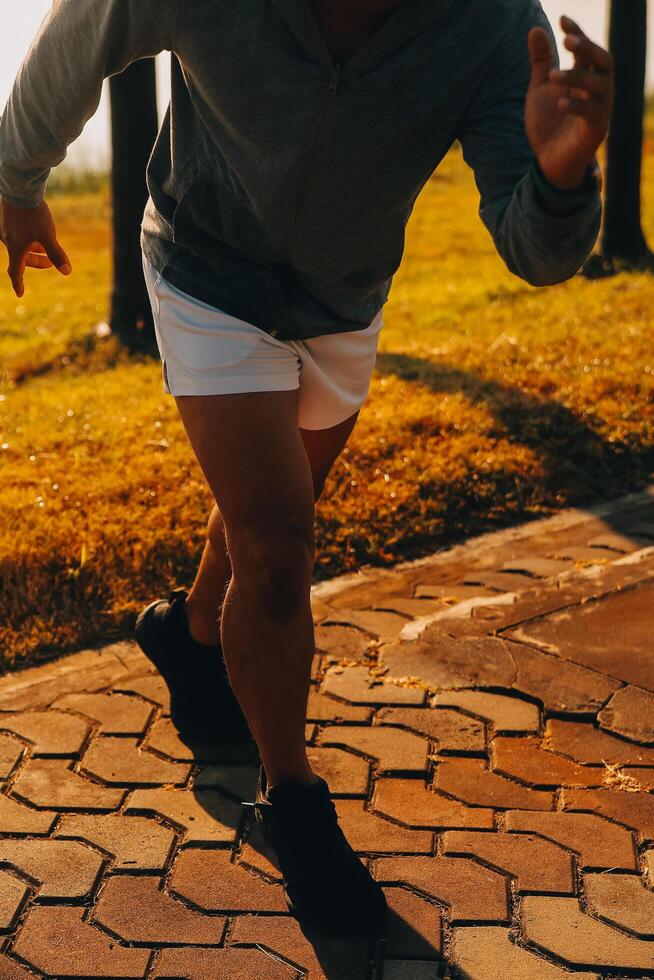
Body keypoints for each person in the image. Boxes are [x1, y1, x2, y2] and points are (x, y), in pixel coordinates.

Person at [0, 0, 612, 935]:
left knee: (263, 519)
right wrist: (16, 175)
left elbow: (532, 250)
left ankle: (192, 631)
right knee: (279, 546)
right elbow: (90, 27)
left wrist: (563, 177)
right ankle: (293, 799)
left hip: (344, 296)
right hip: (205, 271)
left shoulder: (489, 25)